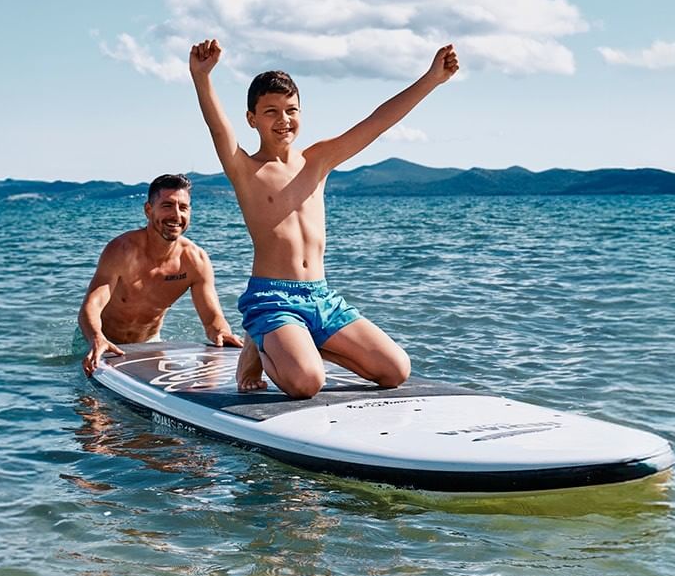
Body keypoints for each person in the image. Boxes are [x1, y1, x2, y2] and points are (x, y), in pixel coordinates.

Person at [188, 38, 459, 398]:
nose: (283, 120)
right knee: (306, 383)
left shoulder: (318, 161)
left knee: (395, 370)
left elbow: (376, 123)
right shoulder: (245, 168)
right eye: (271, 112)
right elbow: (218, 129)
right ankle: (261, 340)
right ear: (252, 119)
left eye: (291, 110)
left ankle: (288, 344)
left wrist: (431, 79)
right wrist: (202, 77)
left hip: (321, 296)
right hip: (273, 298)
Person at [78, 173, 243, 376]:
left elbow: (212, 318)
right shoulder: (121, 251)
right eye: (167, 206)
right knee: (90, 404)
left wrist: (221, 333)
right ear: (148, 210)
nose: (176, 215)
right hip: (97, 339)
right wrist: (96, 337)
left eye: (183, 207)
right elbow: (92, 305)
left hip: (148, 345)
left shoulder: (194, 261)